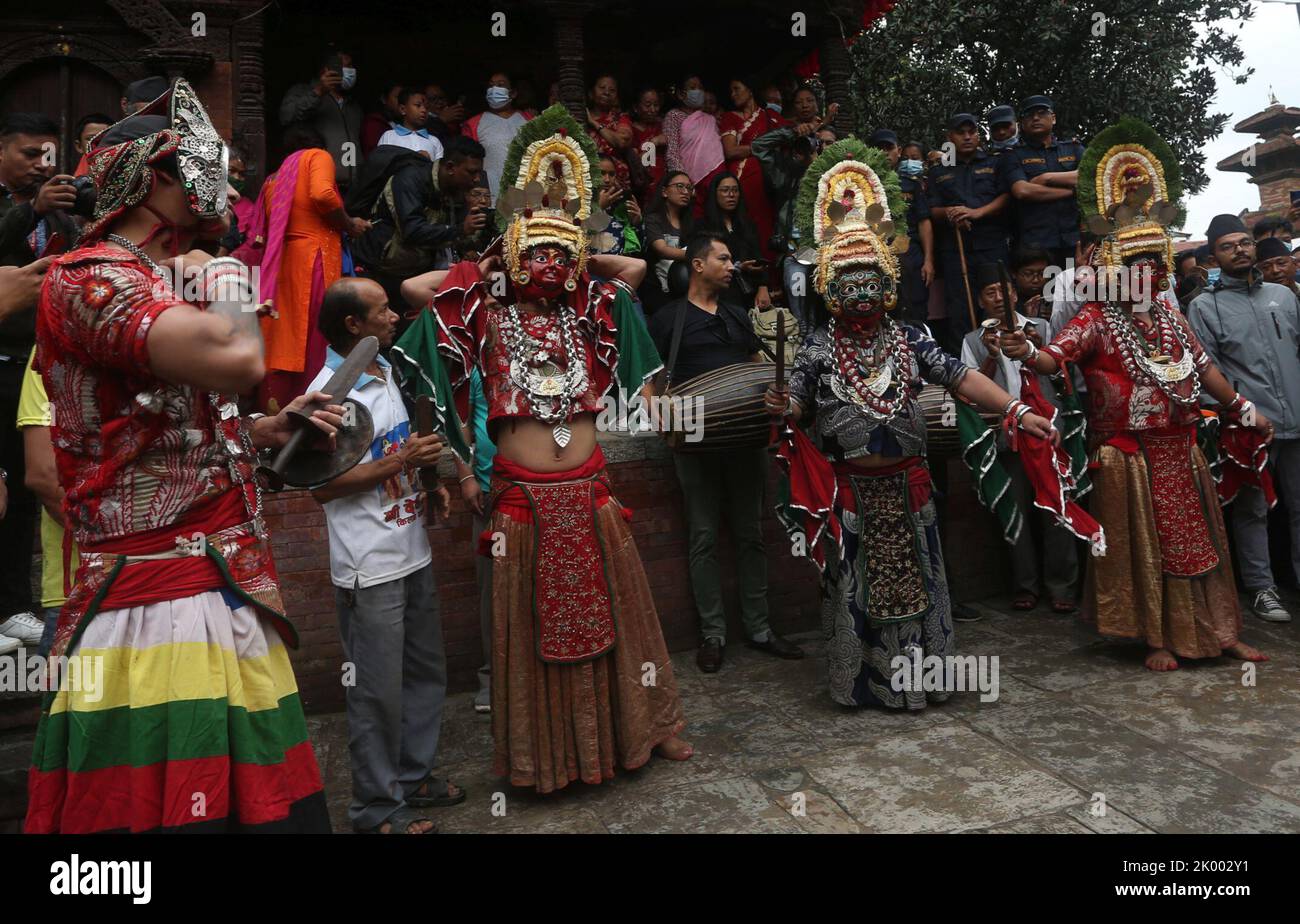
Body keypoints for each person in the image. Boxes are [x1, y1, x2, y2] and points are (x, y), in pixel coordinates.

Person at [26, 79, 343, 833]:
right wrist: (230, 278)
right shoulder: (91, 276)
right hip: (155, 603)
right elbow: (239, 363)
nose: (223, 190)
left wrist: (266, 430)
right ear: (157, 178)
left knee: (268, 811)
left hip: (218, 588)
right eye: (203, 168)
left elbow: (170, 422)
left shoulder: (149, 280)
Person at [392, 104, 692, 792]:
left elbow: (636, 269)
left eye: (562, 255)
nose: (550, 264)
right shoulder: (486, 313)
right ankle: (546, 761)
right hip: (521, 503)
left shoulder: (589, 313)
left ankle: (644, 732)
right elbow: (412, 289)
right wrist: (495, 256)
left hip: (591, 493)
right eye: (538, 254)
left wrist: (573, 240)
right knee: (530, 637)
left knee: (624, 617)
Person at [764, 139, 1056, 708]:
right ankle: (864, 686)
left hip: (909, 487)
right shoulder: (817, 348)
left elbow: (961, 378)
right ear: (828, 286)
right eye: (848, 282)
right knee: (857, 590)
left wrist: (1015, 408)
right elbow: (795, 401)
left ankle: (922, 683)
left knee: (921, 584)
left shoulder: (909, 340)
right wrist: (784, 406)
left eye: (871, 280)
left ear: (887, 284)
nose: (861, 291)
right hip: (853, 493)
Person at [1004, 119, 1269, 671]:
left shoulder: (1172, 315)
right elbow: (1057, 358)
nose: (1144, 273)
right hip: (1128, 455)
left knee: (1201, 541)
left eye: (1153, 263)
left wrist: (1244, 407)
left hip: (1181, 447)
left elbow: (1206, 369)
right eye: (1133, 265)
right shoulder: (1096, 317)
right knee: (1143, 550)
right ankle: (1155, 637)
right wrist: (1027, 351)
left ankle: (1219, 632)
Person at [308, 277, 461, 834]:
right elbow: (323, 486)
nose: (394, 315)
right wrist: (402, 464)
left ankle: (413, 776)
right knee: (374, 691)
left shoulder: (385, 370)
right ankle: (376, 810)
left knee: (425, 672)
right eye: (381, 310)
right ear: (353, 326)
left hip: (410, 550)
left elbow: (397, 446)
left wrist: (427, 479)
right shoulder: (330, 391)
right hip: (367, 565)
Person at [649, 232, 804, 672]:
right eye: (724, 258)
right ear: (698, 265)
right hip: (694, 442)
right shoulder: (668, 318)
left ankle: (759, 628)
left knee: (751, 533)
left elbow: (757, 366)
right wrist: (656, 411)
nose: (732, 265)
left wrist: (779, 389)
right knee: (702, 537)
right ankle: (713, 633)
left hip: (743, 439)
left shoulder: (738, 316)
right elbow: (650, 377)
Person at [1188, 214, 1300, 623]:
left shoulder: (1283, 296)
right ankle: (1261, 588)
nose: (1240, 251)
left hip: (1297, 417)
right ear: (1215, 255)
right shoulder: (1205, 306)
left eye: (1245, 243)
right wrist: (1245, 414)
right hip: (1249, 427)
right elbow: (1207, 373)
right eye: (1228, 246)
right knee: (1252, 509)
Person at [0, 113, 80, 647]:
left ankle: (12, 608)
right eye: (30, 155)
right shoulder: (25, 207)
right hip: (3, 358)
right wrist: (30, 209)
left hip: (36, 362)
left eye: (48, 156)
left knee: (25, 490)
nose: (41, 166)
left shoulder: (54, 208)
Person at [961, 264, 1078, 612]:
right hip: (1006, 436)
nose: (998, 298)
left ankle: (1063, 588)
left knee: (1056, 510)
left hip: (1047, 430)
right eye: (990, 293)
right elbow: (968, 392)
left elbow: (1063, 375)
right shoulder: (973, 340)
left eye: (1004, 291)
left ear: (1015, 294)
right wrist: (992, 356)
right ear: (981, 301)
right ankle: (1025, 586)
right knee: (1017, 513)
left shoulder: (1041, 328)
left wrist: (1037, 351)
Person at [242, 125, 370, 413]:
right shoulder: (317, 156)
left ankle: (276, 407)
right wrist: (350, 224)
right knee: (317, 332)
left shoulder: (274, 179)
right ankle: (315, 407)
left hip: (284, 262)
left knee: (284, 335)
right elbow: (323, 195)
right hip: (313, 260)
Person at [353, 135, 486, 304]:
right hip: (380, 270)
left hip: (415, 273)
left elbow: (453, 235)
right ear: (451, 167)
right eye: (471, 172)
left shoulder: (456, 189)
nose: (477, 179)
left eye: (479, 173)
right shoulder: (409, 180)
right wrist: (460, 230)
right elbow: (412, 231)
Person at [927, 112, 1011, 351]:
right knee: (960, 308)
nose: (966, 137)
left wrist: (977, 213)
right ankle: (967, 367)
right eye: (960, 133)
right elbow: (931, 210)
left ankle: (1006, 355)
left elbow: (1006, 197)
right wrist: (952, 212)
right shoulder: (937, 171)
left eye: (971, 132)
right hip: (956, 248)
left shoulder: (994, 163)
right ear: (949, 137)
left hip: (992, 245)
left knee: (998, 301)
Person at [16, 346, 80, 656]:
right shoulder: (55, 344)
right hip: (81, 591)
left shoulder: (182, 347)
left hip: (186, 588)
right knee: (74, 701)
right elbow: (44, 475)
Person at [751, 116, 838, 333]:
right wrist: (793, 133)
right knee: (798, 300)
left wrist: (818, 161)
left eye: (824, 144)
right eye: (806, 146)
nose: (810, 150)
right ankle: (805, 344)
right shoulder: (786, 176)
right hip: (796, 254)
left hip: (826, 255)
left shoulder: (836, 177)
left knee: (826, 307)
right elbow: (758, 146)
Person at [1000, 96, 1084, 268]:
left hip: (1074, 241)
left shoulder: (1073, 148)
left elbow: (1090, 177)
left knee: (1076, 291)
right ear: (1021, 124)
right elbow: (1023, 191)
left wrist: (1047, 178)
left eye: (1041, 113)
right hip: (1036, 244)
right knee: (1043, 293)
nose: (1036, 118)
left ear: (1053, 118)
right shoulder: (1013, 155)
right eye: (1029, 115)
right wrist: (1071, 191)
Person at [719, 77, 784, 261]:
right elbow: (731, 150)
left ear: (750, 90)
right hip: (742, 179)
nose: (733, 95)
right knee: (747, 226)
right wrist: (763, 147)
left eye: (736, 89)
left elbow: (790, 135)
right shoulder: (730, 117)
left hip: (768, 182)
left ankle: (773, 281)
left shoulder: (770, 117)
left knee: (769, 225)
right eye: (731, 91)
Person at [279, 50, 363, 191]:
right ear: (326, 69)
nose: (351, 71)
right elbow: (286, 117)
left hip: (351, 187)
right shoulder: (302, 91)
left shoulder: (353, 105)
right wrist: (318, 92)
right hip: (317, 184)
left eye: (352, 66)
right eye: (346, 66)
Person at [699, 172, 769, 310]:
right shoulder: (703, 226)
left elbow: (758, 256)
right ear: (715, 194)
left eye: (735, 190)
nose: (731, 195)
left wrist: (763, 287)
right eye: (725, 190)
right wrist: (738, 267)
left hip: (749, 287)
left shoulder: (747, 224)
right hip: (718, 289)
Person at [461, 72, 531, 202]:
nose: (494, 90)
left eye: (500, 85)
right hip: (489, 198)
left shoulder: (529, 120)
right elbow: (467, 163)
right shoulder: (473, 124)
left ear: (513, 93)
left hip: (527, 198)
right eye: (491, 86)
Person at [662, 75, 725, 215]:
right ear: (680, 94)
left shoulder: (710, 118)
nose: (698, 91)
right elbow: (672, 152)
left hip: (716, 178)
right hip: (691, 182)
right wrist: (683, 183)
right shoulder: (674, 116)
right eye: (692, 88)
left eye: (700, 88)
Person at [642, 169, 694, 311]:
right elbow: (662, 249)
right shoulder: (653, 219)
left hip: (685, 289)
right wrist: (696, 255)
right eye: (679, 186)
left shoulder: (692, 224)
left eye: (689, 188)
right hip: (656, 289)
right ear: (664, 192)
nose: (685, 192)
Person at [585, 74, 634, 186]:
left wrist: (594, 123)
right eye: (602, 88)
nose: (607, 92)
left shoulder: (621, 118)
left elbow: (622, 142)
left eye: (612, 90)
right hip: (588, 179)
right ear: (591, 93)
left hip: (616, 180)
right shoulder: (580, 117)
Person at [595, 153, 645, 258]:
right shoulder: (577, 201)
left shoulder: (623, 202)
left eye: (611, 174)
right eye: (601, 173)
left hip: (621, 266)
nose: (607, 179)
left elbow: (640, 249)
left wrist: (636, 223)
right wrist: (599, 208)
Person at [377, 88, 444, 161]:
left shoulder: (434, 141)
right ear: (403, 109)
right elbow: (381, 165)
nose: (424, 110)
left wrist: (428, 162)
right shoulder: (389, 136)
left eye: (426, 107)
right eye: (418, 105)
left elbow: (438, 170)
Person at [629, 87, 667, 204]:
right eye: (648, 105)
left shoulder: (663, 125)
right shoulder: (631, 130)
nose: (653, 109)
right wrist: (653, 143)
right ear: (636, 108)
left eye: (656, 105)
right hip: (644, 185)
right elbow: (638, 161)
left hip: (664, 182)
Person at [361, 81, 405, 155]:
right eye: (397, 97)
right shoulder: (373, 124)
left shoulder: (404, 124)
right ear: (384, 99)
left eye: (403, 98)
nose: (402, 101)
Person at [1010, 245, 1051, 319]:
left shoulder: (1057, 298)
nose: (1036, 280)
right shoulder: (1004, 302)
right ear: (1014, 273)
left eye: (1042, 274)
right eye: (1028, 274)